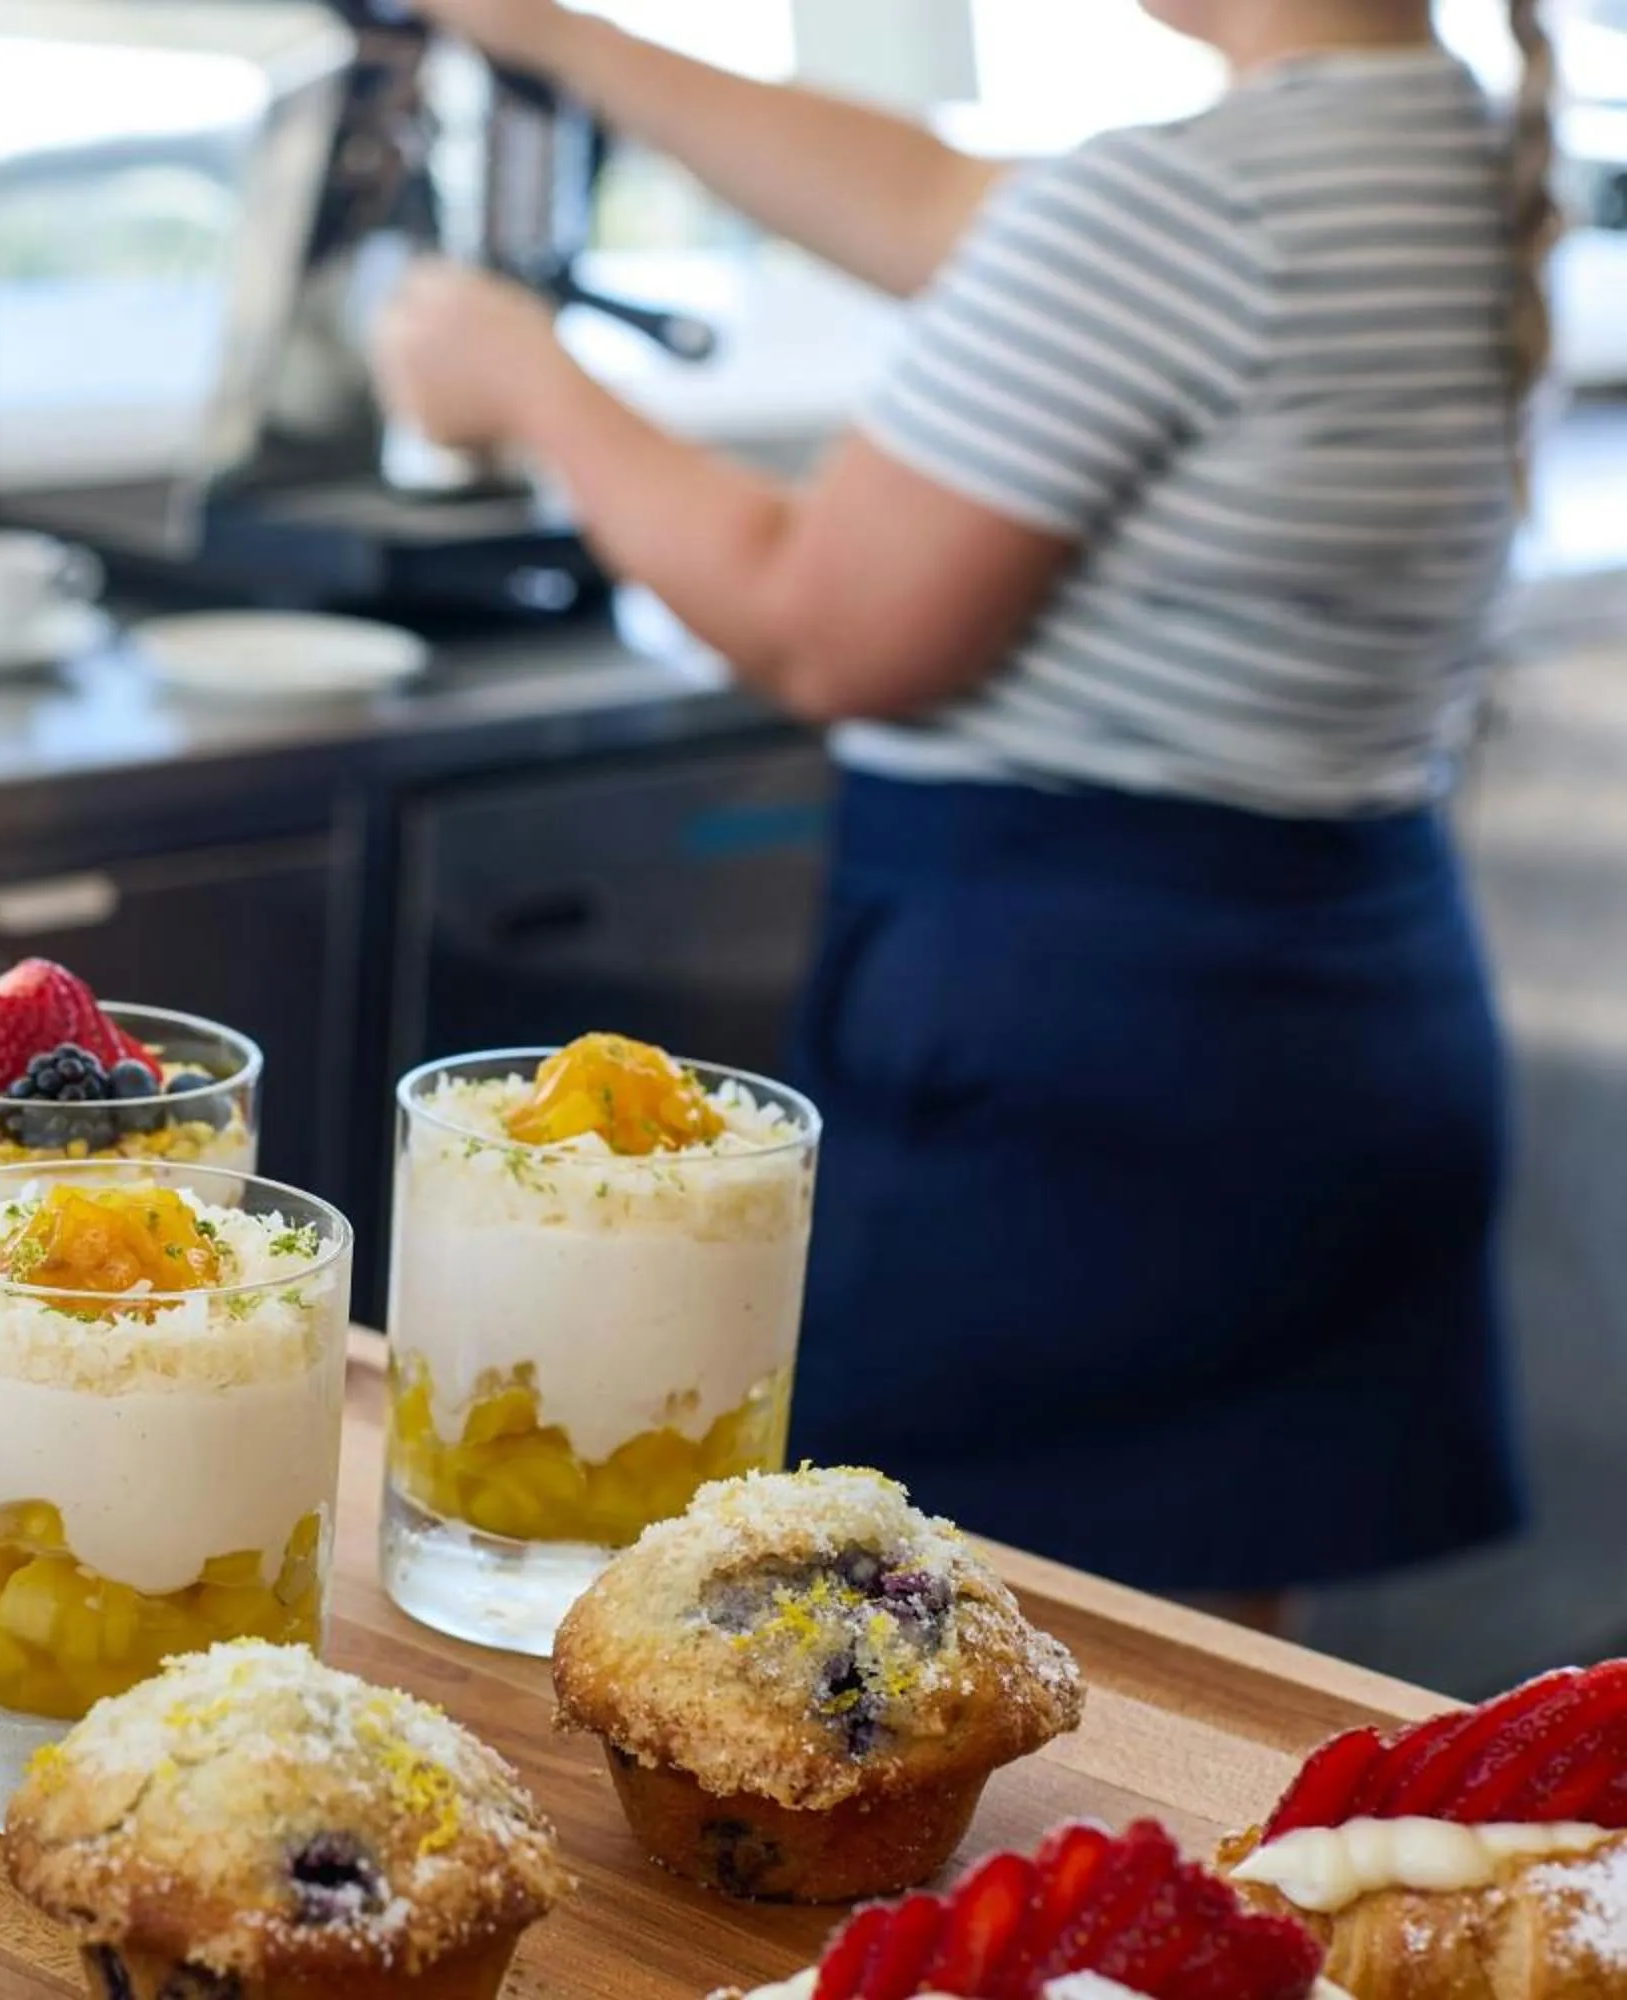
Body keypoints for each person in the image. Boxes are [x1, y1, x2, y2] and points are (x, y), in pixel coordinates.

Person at [373, 0, 1555, 1608]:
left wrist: (521, 378)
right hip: (1331, 1023)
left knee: (954, 1682)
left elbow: (820, 625)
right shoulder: (1441, 137)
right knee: (1175, 1709)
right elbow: (939, 200)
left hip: (1090, 1077)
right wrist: (548, 33)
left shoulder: (1178, 200)